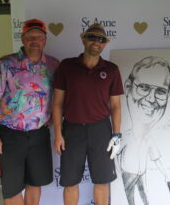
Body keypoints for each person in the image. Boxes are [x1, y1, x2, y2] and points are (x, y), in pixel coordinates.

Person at [0, 19, 59, 205]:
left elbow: (59, 98)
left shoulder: (54, 65)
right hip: (8, 135)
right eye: (30, 36)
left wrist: (52, 118)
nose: (35, 40)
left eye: (39, 37)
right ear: (23, 38)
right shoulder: (5, 63)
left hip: (39, 135)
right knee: (12, 188)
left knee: (35, 184)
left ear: (45, 40)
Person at [52, 23, 123, 205]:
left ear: (104, 44)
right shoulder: (67, 66)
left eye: (100, 40)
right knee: (70, 181)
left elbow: (115, 105)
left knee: (101, 180)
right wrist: (58, 134)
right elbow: (58, 102)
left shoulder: (111, 70)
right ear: (84, 39)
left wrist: (116, 135)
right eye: (92, 37)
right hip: (72, 129)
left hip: (100, 130)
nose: (96, 42)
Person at [121, 56, 170, 205]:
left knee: (144, 198)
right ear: (127, 87)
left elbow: (156, 159)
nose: (151, 99)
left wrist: (166, 175)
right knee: (129, 199)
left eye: (161, 91)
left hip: (140, 173)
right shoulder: (124, 136)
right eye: (144, 87)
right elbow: (114, 156)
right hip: (127, 174)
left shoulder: (149, 139)